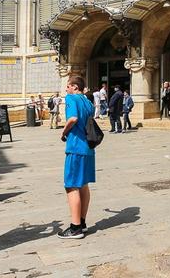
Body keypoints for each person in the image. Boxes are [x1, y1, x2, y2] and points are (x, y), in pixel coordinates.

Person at [59, 75, 95, 239]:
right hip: (88, 148)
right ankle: (82, 222)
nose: (66, 89)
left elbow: (73, 118)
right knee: (83, 185)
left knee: (71, 185)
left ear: (74, 87)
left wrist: (64, 131)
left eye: (68, 86)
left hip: (75, 147)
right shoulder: (88, 102)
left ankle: (75, 228)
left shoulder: (71, 98)